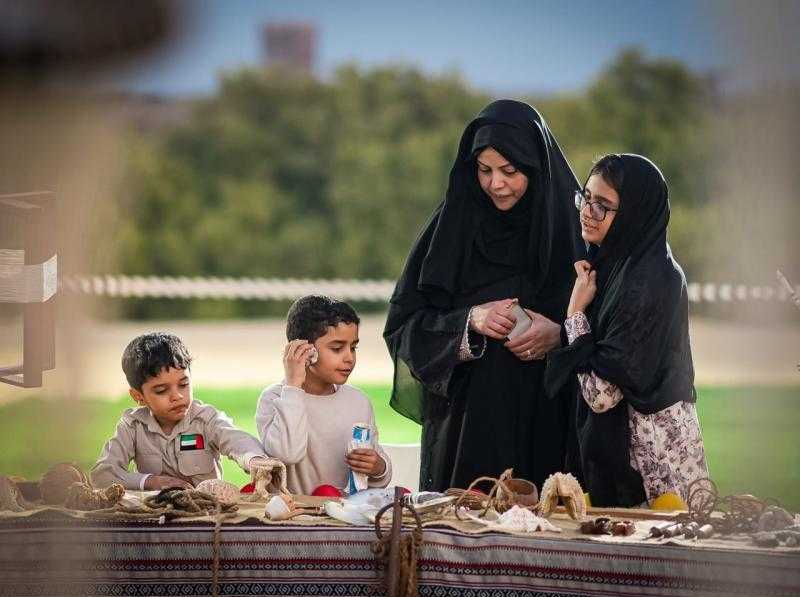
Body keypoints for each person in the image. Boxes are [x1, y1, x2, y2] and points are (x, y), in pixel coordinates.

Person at [384, 99, 582, 492]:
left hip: (548, 427)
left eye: (510, 171)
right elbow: (405, 326)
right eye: (484, 170)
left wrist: (560, 335)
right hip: (466, 432)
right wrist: (469, 321)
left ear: (536, 168)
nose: (496, 184)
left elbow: (613, 332)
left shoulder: (573, 231)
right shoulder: (450, 229)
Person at [546, 154, 709, 507]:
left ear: (634, 213)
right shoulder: (616, 264)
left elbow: (601, 394)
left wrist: (575, 314)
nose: (588, 211)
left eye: (603, 205)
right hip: (635, 465)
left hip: (653, 472)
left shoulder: (646, 282)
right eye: (586, 198)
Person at [92, 332, 269, 490]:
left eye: (183, 384)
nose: (176, 396)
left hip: (205, 516)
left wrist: (253, 460)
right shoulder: (132, 427)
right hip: (154, 518)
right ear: (138, 396)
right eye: (161, 390)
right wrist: (151, 482)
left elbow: (237, 440)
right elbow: (103, 474)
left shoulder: (206, 420)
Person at [256, 295, 392, 495]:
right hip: (293, 517)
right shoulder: (275, 398)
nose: (349, 358)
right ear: (305, 350)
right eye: (337, 348)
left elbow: (374, 480)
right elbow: (288, 453)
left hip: (342, 515)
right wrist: (293, 386)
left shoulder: (357, 401)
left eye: (353, 347)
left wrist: (379, 468)